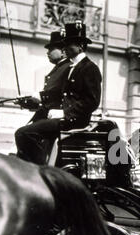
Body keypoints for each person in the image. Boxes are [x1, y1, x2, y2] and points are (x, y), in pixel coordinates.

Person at [15, 21, 102, 164]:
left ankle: (39, 172)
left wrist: (65, 113)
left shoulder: (89, 68)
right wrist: (32, 99)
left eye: (69, 44)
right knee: (25, 132)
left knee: (24, 133)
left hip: (74, 121)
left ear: (80, 46)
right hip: (66, 118)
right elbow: (58, 95)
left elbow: (92, 101)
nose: (65, 47)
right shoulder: (72, 67)